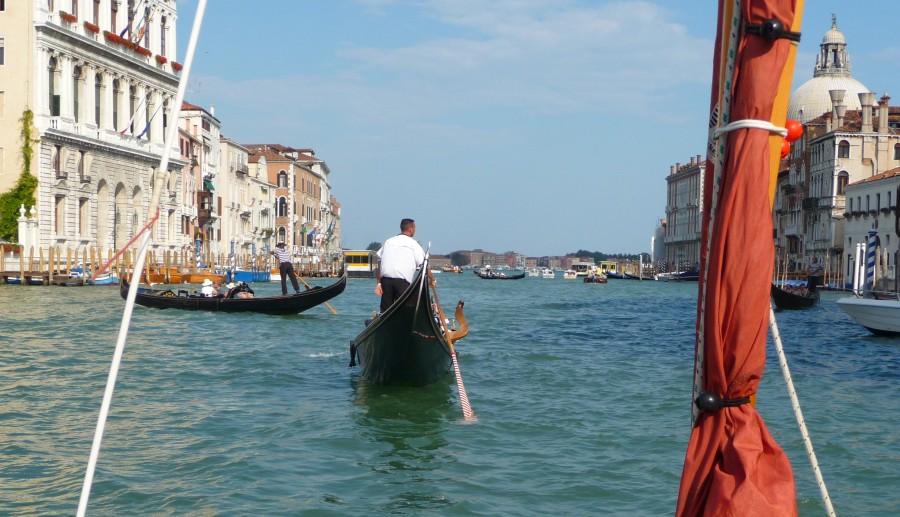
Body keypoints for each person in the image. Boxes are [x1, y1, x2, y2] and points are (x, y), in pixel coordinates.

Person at [375, 218, 426, 312]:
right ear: (411, 230)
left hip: (386, 281)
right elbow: (424, 264)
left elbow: (379, 261)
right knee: (403, 309)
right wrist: (432, 279)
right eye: (415, 228)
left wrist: (378, 282)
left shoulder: (389, 241)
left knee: (385, 310)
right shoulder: (413, 244)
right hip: (402, 282)